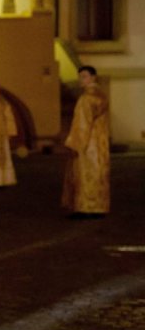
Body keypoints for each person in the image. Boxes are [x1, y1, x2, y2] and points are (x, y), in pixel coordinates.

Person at [62, 65, 110, 217]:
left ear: (93, 77)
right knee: (98, 174)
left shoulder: (86, 98)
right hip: (101, 142)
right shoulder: (102, 95)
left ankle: (86, 208)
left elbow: (82, 124)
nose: (80, 80)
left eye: (84, 76)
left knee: (85, 174)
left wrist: (74, 144)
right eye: (80, 76)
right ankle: (99, 206)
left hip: (88, 143)